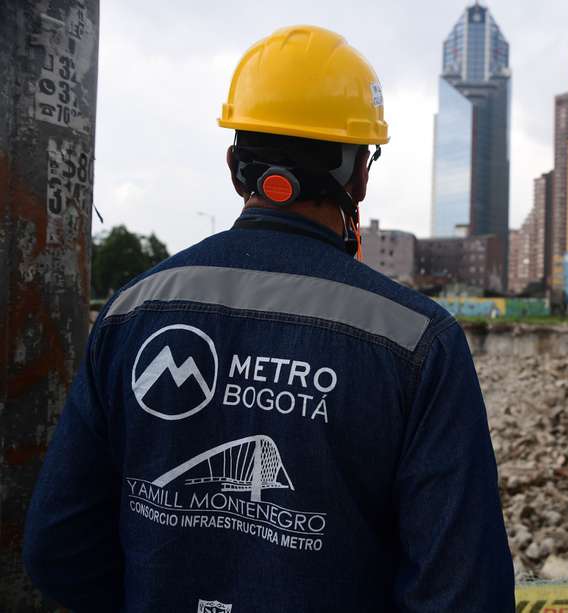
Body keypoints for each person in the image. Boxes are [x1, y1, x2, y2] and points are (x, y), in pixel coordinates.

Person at [24, 25, 515, 612]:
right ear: (360, 174)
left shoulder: (132, 311)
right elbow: (464, 592)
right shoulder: (417, 341)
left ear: (236, 166)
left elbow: (58, 547)